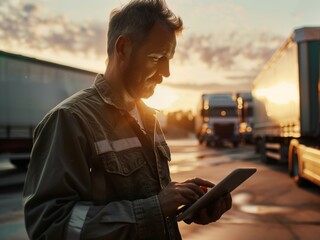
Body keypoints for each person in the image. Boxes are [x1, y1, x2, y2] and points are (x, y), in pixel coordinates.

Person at [22, 0, 232, 239]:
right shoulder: (70, 119)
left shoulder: (148, 119)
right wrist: (155, 208)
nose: (167, 72)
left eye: (169, 59)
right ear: (123, 48)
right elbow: (49, 225)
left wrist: (188, 202)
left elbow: (152, 204)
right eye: (158, 57)